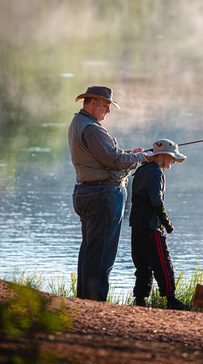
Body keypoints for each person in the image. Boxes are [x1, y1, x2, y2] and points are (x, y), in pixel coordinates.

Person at [68, 85, 146, 301]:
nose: (108, 112)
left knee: (90, 251)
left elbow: (107, 157)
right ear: (93, 103)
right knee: (101, 254)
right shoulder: (92, 129)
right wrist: (142, 157)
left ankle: (84, 302)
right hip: (102, 194)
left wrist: (129, 154)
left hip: (88, 191)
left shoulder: (78, 122)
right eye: (106, 106)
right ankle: (94, 304)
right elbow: (114, 160)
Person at [129, 139, 190, 310]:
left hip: (136, 225)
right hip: (150, 225)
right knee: (163, 262)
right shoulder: (156, 172)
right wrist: (167, 224)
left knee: (142, 265)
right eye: (172, 158)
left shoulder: (142, 170)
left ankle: (140, 300)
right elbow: (157, 201)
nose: (173, 162)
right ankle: (172, 300)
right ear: (162, 156)